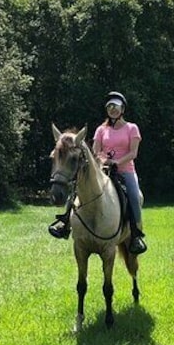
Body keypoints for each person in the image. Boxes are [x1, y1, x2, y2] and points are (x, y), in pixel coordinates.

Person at [48, 91, 148, 255]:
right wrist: (103, 160)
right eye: (109, 107)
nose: (112, 110)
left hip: (126, 170)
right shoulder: (102, 130)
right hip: (103, 170)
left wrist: (117, 162)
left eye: (116, 107)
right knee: (77, 188)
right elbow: (96, 151)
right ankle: (65, 222)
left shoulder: (132, 128)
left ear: (122, 109)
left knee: (135, 196)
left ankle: (136, 234)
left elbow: (133, 153)